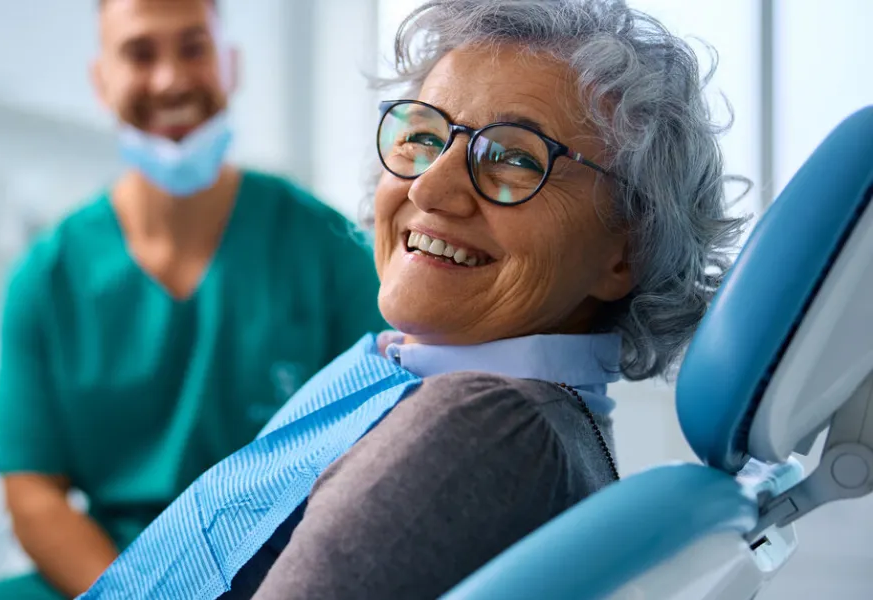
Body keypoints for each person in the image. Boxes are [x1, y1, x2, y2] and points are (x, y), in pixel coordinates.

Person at [81, 0, 746, 598]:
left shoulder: (487, 426)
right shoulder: (429, 379)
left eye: (515, 157)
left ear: (624, 250)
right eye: (424, 137)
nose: (431, 188)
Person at [0, 0, 385, 598]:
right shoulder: (47, 278)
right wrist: (130, 593)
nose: (171, 79)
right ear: (101, 80)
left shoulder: (328, 251)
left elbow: (379, 456)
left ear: (231, 65)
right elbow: (33, 491)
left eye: (193, 48)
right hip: (106, 571)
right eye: (140, 53)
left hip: (285, 566)